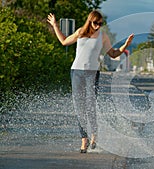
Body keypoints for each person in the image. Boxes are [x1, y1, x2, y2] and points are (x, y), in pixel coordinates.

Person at [47, 10, 134, 153]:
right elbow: (63, 41)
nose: (98, 26)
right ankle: (84, 140)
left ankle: (94, 133)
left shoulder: (102, 36)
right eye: (95, 23)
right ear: (90, 21)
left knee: (90, 105)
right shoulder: (80, 32)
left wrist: (125, 45)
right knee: (79, 107)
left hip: (92, 73)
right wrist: (55, 25)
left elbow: (113, 54)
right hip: (76, 72)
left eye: (100, 24)